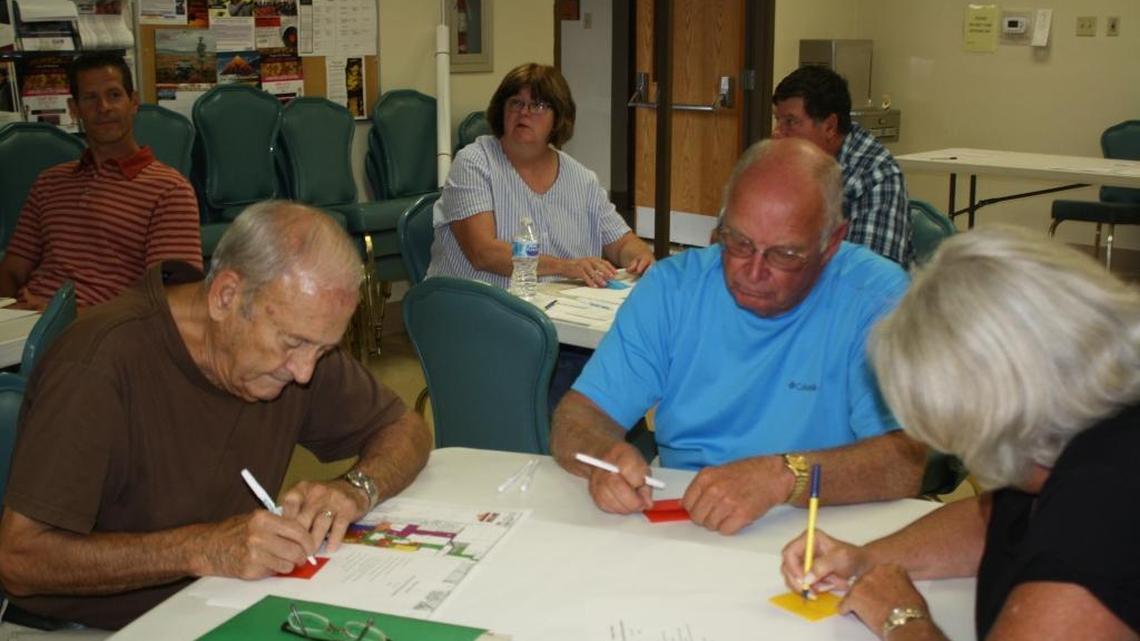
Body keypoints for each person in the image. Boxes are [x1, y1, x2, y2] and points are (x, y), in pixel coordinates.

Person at [0, 202, 433, 632]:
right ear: (226, 296)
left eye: (322, 350)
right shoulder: (98, 364)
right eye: (293, 343)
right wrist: (201, 548)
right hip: (88, 627)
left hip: (217, 604)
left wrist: (356, 489)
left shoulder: (295, 342)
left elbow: (405, 428)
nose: (304, 371)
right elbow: (19, 559)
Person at [550, 138, 926, 536]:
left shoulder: (876, 300)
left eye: (784, 255)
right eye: (739, 244)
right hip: (688, 521)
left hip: (824, 527)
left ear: (831, 242)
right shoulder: (673, 288)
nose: (753, 271)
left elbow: (903, 464)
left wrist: (783, 476)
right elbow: (578, 417)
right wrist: (603, 457)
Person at [780, 226, 1140, 640]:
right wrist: (865, 559)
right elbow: (996, 521)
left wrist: (901, 618)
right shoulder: (1075, 432)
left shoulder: (1105, 505)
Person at [0, 52, 201, 310]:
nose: (103, 107)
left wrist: (60, 315)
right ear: (74, 109)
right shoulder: (49, 183)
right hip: (27, 320)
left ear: (133, 102)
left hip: (103, 327)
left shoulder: (170, 190)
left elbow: (171, 301)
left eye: (114, 95)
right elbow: (13, 271)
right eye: (90, 98)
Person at [427, 62, 654, 290]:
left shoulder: (582, 180)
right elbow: (483, 253)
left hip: (559, 303)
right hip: (475, 302)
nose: (524, 112)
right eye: (516, 103)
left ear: (558, 118)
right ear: (501, 110)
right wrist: (564, 267)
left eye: (537, 105)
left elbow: (621, 243)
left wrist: (641, 258)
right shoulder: (474, 163)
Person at [772, 65, 912, 267]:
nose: (777, 132)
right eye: (778, 120)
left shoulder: (877, 176)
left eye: (790, 121)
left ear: (830, 126)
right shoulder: (782, 162)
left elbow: (870, 275)